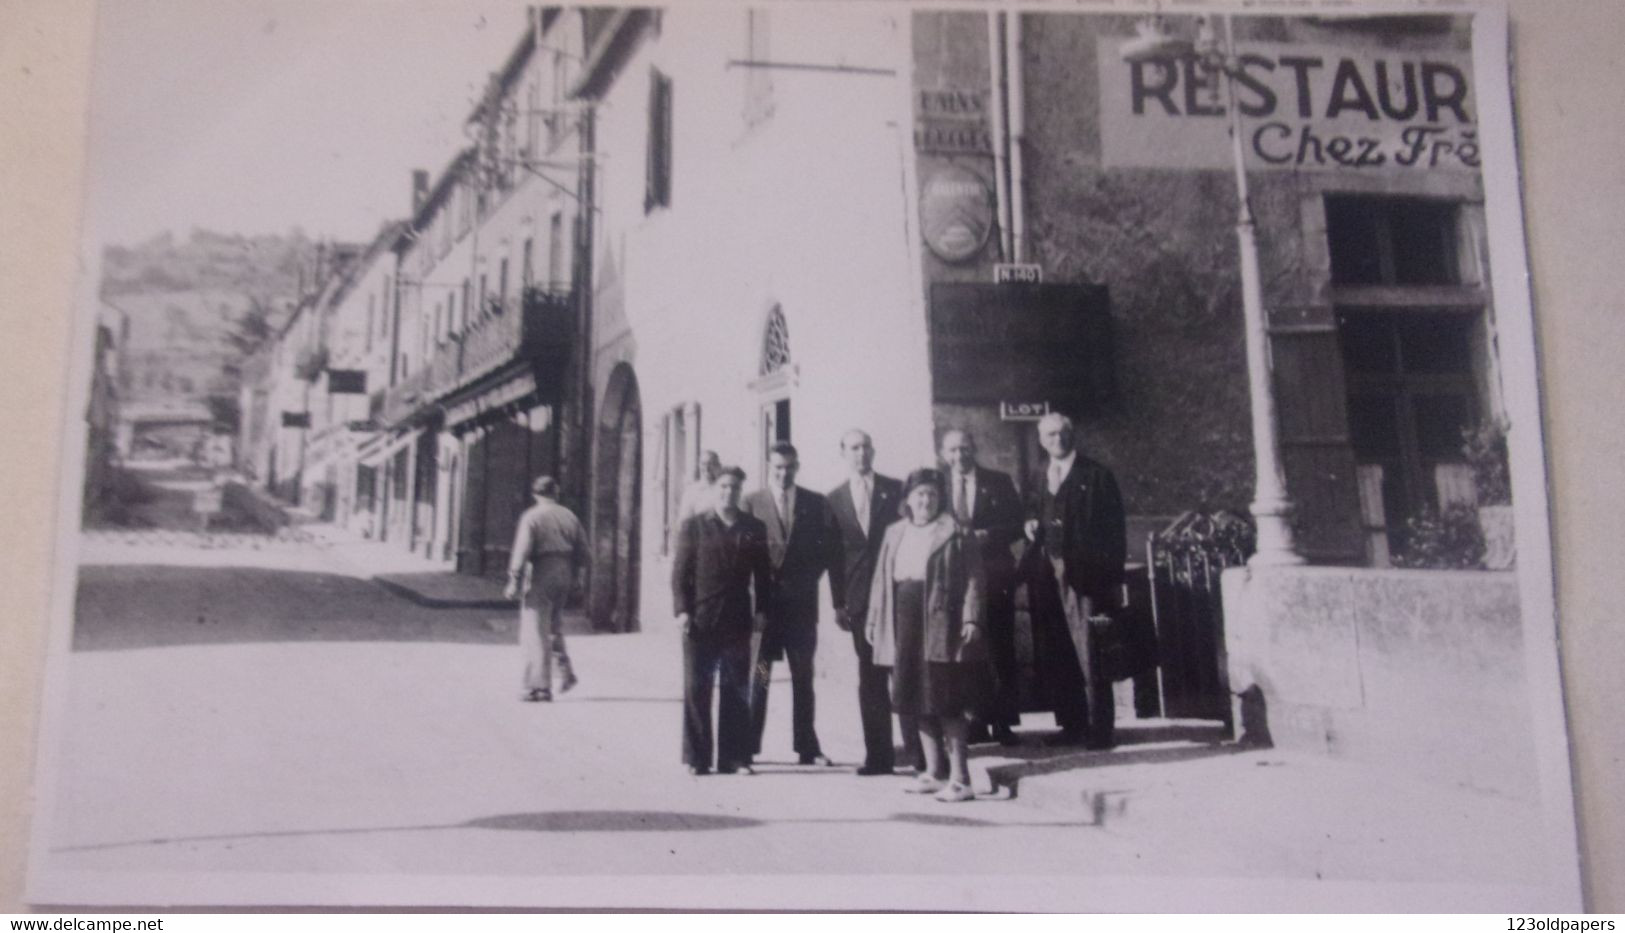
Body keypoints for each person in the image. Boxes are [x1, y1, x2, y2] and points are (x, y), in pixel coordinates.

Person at [865, 468, 986, 802]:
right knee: (914, 698)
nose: (925, 500)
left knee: (946, 699)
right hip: (903, 619)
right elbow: (881, 579)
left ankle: (960, 778)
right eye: (920, 494)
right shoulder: (895, 532)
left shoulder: (956, 531)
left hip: (941, 622)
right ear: (908, 500)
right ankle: (933, 772)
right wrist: (875, 619)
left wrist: (972, 618)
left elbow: (975, 578)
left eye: (932, 494)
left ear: (940, 498)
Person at [1022, 412, 1127, 749]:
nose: (1058, 440)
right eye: (1051, 435)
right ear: (1042, 441)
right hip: (1046, 572)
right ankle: (1071, 723)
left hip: (1084, 576)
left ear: (1073, 435)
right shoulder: (1039, 475)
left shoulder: (1096, 475)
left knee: (1090, 651)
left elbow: (1115, 533)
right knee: (1058, 648)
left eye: (1064, 433)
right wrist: (1030, 523)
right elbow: (1032, 509)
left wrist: (1108, 579)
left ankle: (1100, 729)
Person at [828, 428, 924, 776]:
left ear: (874, 450)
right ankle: (879, 756)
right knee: (870, 678)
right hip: (859, 601)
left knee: (906, 672)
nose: (861, 453)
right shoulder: (834, 500)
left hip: (898, 594)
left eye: (866, 446)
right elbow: (834, 557)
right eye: (854, 447)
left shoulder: (897, 490)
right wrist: (838, 603)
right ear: (843, 452)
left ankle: (919, 755)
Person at [742, 441, 839, 767]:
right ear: (769, 467)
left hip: (800, 606)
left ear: (797, 467)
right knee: (761, 675)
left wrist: (804, 578)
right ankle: (749, 746)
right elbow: (740, 555)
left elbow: (828, 551)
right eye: (777, 468)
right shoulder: (752, 502)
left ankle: (807, 747)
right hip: (764, 609)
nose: (783, 474)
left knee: (803, 677)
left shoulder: (815, 503)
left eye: (789, 468)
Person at [671, 465, 771, 776]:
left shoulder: (753, 527)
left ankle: (734, 758)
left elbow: (763, 576)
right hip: (700, 619)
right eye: (724, 487)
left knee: (736, 687)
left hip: (737, 618)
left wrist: (762, 612)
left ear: (741, 492)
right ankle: (697, 758)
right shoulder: (695, 526)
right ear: (716, 489)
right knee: (697, 687)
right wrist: (682, 611)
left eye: (735, 488)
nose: (729, 493)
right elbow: (679, 575)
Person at [939, 429, 1025, 746]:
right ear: (943, 453)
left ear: (974, 449)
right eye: (952, 450)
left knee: (1001, 648)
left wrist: (989, 534)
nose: (959, 456)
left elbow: (1017, 525)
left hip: (995, 574)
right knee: (963, 650)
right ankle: (972, 722)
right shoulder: (937, 485)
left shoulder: (997, 481)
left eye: (964, 449)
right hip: (952, 581)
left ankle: (1003, 722)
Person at [504, 476, 588, 703]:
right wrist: (578, 577)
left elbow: (522, 551)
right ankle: (566, 673)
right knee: (553, 625)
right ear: (556, 493)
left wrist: (514, 579)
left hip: (542, 570)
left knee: (534, 629)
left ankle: (539, 687)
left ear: (536, 494)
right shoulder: (569, 516)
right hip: (565, 571)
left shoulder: (532, 517)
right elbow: (583, 550)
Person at [676, 450, 724, 524]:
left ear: (719, 466)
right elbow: (684, 521)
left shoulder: (725, 488)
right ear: (699, 466)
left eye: (711, 464)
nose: (707, 468)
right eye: (703, 464)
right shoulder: (691, 491)